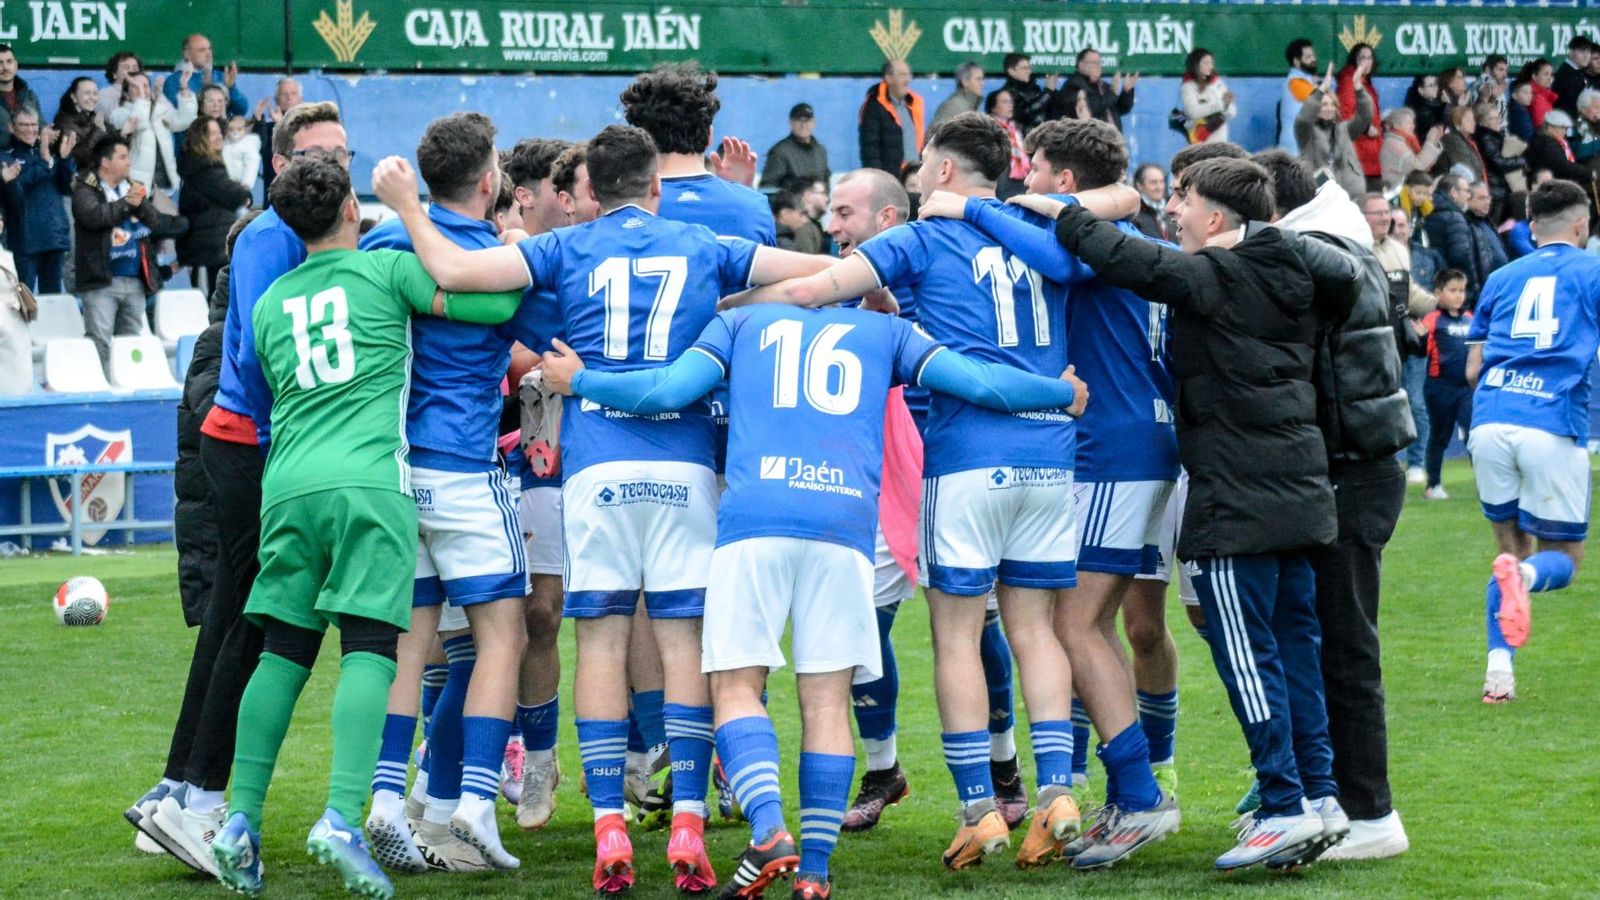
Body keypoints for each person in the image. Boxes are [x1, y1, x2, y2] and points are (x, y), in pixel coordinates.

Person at [370, 123, 834, 895]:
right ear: (655, 186)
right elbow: (815, 273)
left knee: (604, 645)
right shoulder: (702, 243)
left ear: (589, 192)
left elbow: (452, 266)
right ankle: (688, 815)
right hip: (684, 467)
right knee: (685, 647)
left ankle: (608, 825)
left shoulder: (563, 248)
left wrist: (407, 209)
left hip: (596, 472)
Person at [539, 298, 1085, 900]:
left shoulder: (742, 322)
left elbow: (670, 390)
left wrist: (580, 380)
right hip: (843, 527)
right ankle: (816, 873)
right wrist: (1058, 394)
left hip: (756, 522)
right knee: (827, 703)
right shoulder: (886, 330)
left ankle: (770, 827)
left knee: (737, 686)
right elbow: (978, 380)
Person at [733, 112, 1154, 874]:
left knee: (957, 634)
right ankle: (1056, 791)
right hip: (1052, 456)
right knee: (1036, 630)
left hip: (968, 456)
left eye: (925, 164)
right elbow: (1120, 203)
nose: (919, 174)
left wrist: (725, 313)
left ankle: (976, 810)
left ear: (947, 172)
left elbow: (818, 287)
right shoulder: (1049, 229)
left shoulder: (920, 237)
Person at [1023, 156, 1359, 871]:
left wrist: (1064, 212)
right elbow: (1348, 276)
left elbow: (1129, 258)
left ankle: (1281, 804)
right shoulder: (1296, 272)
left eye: (1185, 202)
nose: (1173, 213)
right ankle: (1321, 796)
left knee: (1248, 655)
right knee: (1296, 646)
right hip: (1298, 490)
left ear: (1216, 218)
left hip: (1238, 497)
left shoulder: (1216, 275)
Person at [206, 154, 522, 900]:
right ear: (352, 209)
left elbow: (260, 386)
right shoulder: (389, 275)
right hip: (369, 482)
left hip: (286, 486)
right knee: (373, 647)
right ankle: (344, 817)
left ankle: (240, 820)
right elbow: (493, 309)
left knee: (283, 651)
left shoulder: (270, 300)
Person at [920, 116, 1186, 868]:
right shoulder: (1129, 230)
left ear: (1063, 181)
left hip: (1112, 446)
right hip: (1141, 442)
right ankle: (1105, 790)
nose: (1020, 181)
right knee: (1096, 625)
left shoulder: (1079, 240)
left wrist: (969, 208)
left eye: (1032, 169)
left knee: (1073, 628)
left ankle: (1138, 794)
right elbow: (1119, 207)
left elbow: (1066, 261)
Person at [122, 102, 346, 878]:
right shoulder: (266, 237)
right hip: (252, 444)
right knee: (257, 619)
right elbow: (257, 350)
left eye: (342, 153)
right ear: (283, 163)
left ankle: (180, 785)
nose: (335, 167)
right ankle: (199, 797)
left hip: (243, 438)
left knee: (233, 616)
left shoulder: (305, 236)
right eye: (320, 153)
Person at [355, 112, 535, 875]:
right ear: (490, 182)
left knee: (410, 640)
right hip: (464, 464)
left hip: (395, 469)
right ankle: (473, 804)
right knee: (504, 635)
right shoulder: (498, 260)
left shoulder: (385, 243)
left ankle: (389, 799)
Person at [1253, 152, 1414, 865]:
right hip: (1353, 468)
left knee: (1345, 647)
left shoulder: (1321, 257)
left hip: (1353, 472)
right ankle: (1328, 801)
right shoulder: (1339, 247)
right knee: (1324, 642)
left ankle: (1371, 812)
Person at [1465, 179, 1600, 703]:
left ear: (1531, 223)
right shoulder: (1592, 272)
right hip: (1551, 421)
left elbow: (1474, 367)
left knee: (1507, 552)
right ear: (1582, 225)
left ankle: (1499, 675)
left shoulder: (1500, 276)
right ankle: (1522, 576)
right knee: (1561, 559)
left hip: (1490, 422)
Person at [70, 133, 184, 373]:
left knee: (131, 343)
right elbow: (93, 217)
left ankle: (127, 384)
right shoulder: (84, 189)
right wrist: (126, 204)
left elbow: (153, 221)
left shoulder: (132, 187)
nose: (128, 162)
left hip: (135, 278)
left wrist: (140, 203)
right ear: (105, 162)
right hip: (101, 280)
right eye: (122, 157)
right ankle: (97, 389)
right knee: (99, 342)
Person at [1, 108, 74, 293]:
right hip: (24, 240)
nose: (29, 129)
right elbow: (15, 193)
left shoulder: (49, 153)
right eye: (23, 125)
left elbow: (67, 187)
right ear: (11, 127)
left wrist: (64, 160)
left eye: (33, 124)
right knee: (22, 302)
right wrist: (44, 162)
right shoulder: (5, 155)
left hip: (53, 237)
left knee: (53, 300)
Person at [177, 116, 251, 295]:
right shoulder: (204, 169)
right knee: (213, 305)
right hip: (209, 254)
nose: (219, 137)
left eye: (219, 132)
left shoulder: (201, 167)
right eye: (213, 133)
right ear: (200, 139)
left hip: (212, 251)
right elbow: (237, 196)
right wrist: (245, 194)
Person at [1419, 269, 1473, 500]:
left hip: (1466, 389)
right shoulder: (1432, 320)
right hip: (1439, 387)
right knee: (1440, 436)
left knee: (1474, 434)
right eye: (1453, 290)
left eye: (1462, 290)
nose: (1459, 295)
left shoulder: (1470, 318)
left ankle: (1488, 482)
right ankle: (1433, 485)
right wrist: (1418, 338)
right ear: (1438, 293)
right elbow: (1419, 348)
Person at [108, 71, 195, 196]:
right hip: (136, 189)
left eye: (145, 86)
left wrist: (184, 87)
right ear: (126, 94)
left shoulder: (159, 111)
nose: (142, 89)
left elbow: (184, 120)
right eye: (136, 86)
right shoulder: (119, 114)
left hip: (167, 188)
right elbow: (140, 122)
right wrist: (144, 97)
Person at [1297, 65, 1371, 199]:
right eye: (1324, 104)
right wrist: (1321, 91)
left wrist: (1358, 88)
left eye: (1332, 104)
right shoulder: (1306, 132)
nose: (1330, 108)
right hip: (1322, 199)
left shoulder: (1343, 129)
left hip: (1351, 197)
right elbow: (1304, 118)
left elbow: (1364, 117)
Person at [1426, 174, 1488, 302]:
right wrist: (1473, 285)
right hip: (1458, 284)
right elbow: (1461, 254)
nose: (1468, 196)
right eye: (1466, 191)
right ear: (1454, 192)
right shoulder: (1454, 217)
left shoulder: (1433, 212)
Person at [859, 59, 924, 177]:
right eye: (902, 75)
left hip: (914, 178)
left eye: (909, 75)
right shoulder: (873, 106)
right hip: (890, 180)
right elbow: (870, 150)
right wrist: (879, 180)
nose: (907, 80)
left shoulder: (914, 104)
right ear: (888, 78)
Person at [163, 33, 247, 120]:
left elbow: (241, 111)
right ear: (187, 54)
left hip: (220, 131)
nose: (209, 54)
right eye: (202, 50)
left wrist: (231, 88)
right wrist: (207, 87)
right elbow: (183, 113)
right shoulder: (175, 80)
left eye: (209, 49)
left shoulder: (219, 76)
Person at [1337, 44, 1384, 190]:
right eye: (1362, 58)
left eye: (1369, 58)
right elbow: (1345, 114)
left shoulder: (1365, 82)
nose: (1367, 61)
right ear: (1354, 61)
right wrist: (1365, 128)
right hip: (1360, 150)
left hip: (1371, 150)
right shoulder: (1348, 82)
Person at [761, 103, 829, 191]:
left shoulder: (821, 151)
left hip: (816, 204)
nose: (803, 125)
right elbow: (767, 188)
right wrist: (788, 202)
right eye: (798, 120)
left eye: (807, 120)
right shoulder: (780, 152)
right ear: (790, 123)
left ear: (814, 123)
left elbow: (826, 181)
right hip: (790, 204)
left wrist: (822, 198)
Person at [252, 77, 302, 197]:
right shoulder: (268, 128)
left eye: (293, 93)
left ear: (301, 99)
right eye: (284, 94)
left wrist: (281, 126)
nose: (289, 98)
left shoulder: (310, 127)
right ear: (276, 100)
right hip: (275, 197)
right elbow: (260, 149)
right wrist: (258, 120)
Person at [1526, 110, 1596, 194]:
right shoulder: (1547, 144)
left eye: (1566, 128)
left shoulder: (1550, 140)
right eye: (1562, 128)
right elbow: (1563, 166)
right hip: (1552, 189)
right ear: (1550, 127)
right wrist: (1587, 173)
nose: (1565, 132)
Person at [1067, 48, 1136, 133]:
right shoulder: (1074, 85)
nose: (1098, 66)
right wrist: (1113, 91)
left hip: (1112, 141)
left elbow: (1121, 110)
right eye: (1094, 63)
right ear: (1081, 66)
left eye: (1099, 63)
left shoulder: (1102, 86)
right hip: (1093, 141)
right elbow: (1091, 109)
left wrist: (1126, 91)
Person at [1179, 49, 1236, 144]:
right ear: (1196, 65)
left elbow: (1232, 113)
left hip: (1220, 141)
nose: (1211, 66)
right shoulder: (1188, 87)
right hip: (1199, 144)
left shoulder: (1218, 83)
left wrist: (1227, 105)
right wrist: (1220, 105)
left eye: (1211, 63)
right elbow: (1193, 112)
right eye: (1206, 63)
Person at [1477, 103, 1525, 216]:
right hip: (1494, 187)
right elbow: (1499, 162)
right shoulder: (1486, 138)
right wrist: (1522, 161)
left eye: (1498, 117)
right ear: (1482, 121)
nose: (1498, 120)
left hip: (1498, 186)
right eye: (1493, 118)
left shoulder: (1493, 136)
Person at [1379, 107, 1444, 191]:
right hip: (1394, 191)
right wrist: (1430, 141)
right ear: (1396, 125)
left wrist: (1434, 141)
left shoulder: (1405, 141)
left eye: (1413, 123)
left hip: (1404, 189)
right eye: (1408, 123)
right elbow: (1418, 167)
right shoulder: (1393, 143)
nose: (1413, 126)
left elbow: (1426, 165)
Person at [990, 53, 1053, 136]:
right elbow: (1024, 113)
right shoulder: (1007, 93)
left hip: (1041, 138)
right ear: (1011, 71)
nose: (1029, 71)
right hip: (1022, 140)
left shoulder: (1034, 88)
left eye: (1029, 68)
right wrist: (1048, 92)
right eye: (1024, 68)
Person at [52, 76, 104, 170]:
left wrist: (123, 133)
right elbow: (77, 159)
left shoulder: (94, 118)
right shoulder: (64, 122)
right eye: (87, 93)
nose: (92, 98)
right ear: (74, 97)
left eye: (95, 93)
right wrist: (98, 131)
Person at [1278, 38, 1319, 153]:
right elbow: (1323, 100)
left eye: (1313, 56)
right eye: (1308, 57)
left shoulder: (1306, 80)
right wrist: (1323, 86)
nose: (1313, 59)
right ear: (1296, 62)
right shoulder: (1295, 82)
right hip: (1294, 145)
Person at [985, 89, 1028, 198]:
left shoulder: (1015, 127)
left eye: (1011, 102)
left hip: (1019, 181)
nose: (1010, 105)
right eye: (1004, 102)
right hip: (1000, 181)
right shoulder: (987, 127)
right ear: (993, 107)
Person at [1466, 181, 1510, 284]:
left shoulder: (1487, 222)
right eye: (1481, 198)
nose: (1487, 202)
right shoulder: (1467, 225)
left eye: (1488, 198)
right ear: (1468, 200)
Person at [0, 44, 40, 147]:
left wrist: (47, 132)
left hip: (28, 158)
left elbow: (41, 124)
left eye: (9, 62)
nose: (5, 67)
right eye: (0, 63)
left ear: (16, 65)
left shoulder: (29, 96)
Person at [1438, 106, 1488, 186]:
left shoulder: (1468, 141)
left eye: (1473, 120)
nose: (1473, 123)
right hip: (1455, 188)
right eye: (1468, 120)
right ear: (1457, 122)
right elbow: (1464, 168)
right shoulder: (1452, 139)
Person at [932, 62, 985, 129]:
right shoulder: (953, 107)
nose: (982, 83)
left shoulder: (973, 105)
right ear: (964, 81)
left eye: (983, 79)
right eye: (978, 79)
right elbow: (936, 134)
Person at [1554, 36, 1594, 117]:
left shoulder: (1578, 71)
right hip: (1566, 121)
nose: (1586, 56)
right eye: (1582, 51)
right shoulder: (1566, 74)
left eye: (1588, 52)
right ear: (1571, 52)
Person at [1131, 162, 1170, 242]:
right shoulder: (1133, 215)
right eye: (1153, 182)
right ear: (1139, 186)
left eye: (1161, 182)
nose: (1159, 187)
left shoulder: (1172, 211)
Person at [99, 51, 142, 121]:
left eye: (135, 68)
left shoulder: (147, 91)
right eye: (126, 68)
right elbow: (111, 119)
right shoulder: (104, 94)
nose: (131, 71)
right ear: (114, 74)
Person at [1403, 74, 1448, 138]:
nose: (1436, 88)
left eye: (1436, 84)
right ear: (1421, 90)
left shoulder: (1435, 105)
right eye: (1431, 85)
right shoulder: (1423, 112)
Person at [1472, 55, 1511, 125]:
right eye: (1501, 70)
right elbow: (1481, 115)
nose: (1505, 75)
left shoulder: (1496, 84)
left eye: (1506, 70)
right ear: (1488, 70)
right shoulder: (1486, 84)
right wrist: (1493, 97)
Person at [1520, 59, 1558, 129]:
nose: (1550, 78)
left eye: (1551, 74)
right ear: (1534, 77)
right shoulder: (1535, 96)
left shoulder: (1544, 95)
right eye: (1545, 74)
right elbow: (1542, 127)